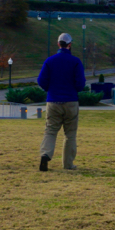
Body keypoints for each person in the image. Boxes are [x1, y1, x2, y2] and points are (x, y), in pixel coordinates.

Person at [36, 32, 85, 171]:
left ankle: (45, 154)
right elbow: (80, 83)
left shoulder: (50, 61)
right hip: (71, 101)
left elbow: (41, 80)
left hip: (53, 101)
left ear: (58, 44)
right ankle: (68, 164)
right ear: (70, 45)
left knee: (50, 131)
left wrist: (50, 89)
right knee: (70, 134)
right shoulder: (75, 62)